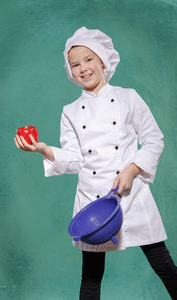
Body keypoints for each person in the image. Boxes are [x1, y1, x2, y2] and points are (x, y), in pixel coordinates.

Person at [14, 27, 177, 299]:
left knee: (162, 263)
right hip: (93, 199)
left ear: (103, 60)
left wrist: (131, 169)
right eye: (75, 64)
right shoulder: (70, 111)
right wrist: (45, 149)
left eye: (89, 59)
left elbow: (153, 139)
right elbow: (75, 159)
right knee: (90, 276)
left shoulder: (129, 97)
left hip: (131, 193)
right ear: (70, 71)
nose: (83, 68)